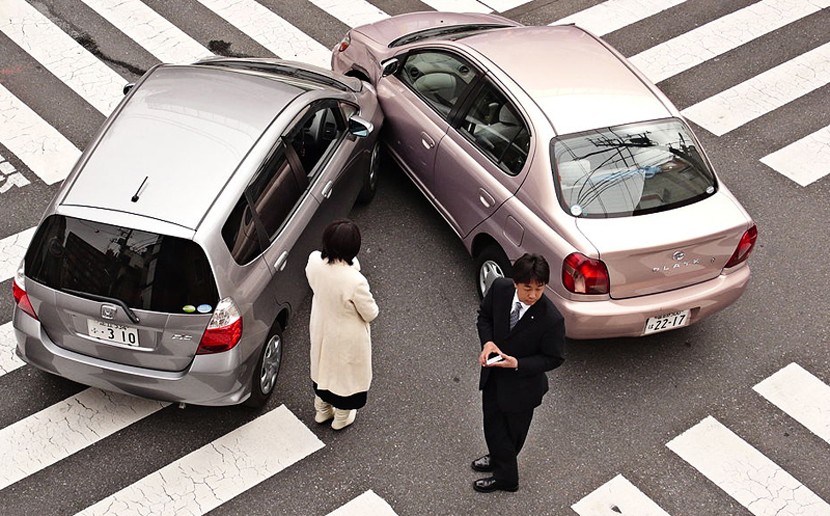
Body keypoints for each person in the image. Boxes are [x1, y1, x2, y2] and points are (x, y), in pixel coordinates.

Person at [471, 253, 565, 493]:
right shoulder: (500, 288)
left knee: (512, 434)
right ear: (515, 282)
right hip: (493, 376)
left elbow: (554, 358)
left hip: (523, 388)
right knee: (492, 424)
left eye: (539, 288)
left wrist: (518, 364)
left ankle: (507, 479)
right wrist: (488, 342)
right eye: (527, 288)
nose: (533, 295)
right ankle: (498, 458)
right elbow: (485, 317)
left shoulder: (552, 319)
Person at [305, 219, 379, 430]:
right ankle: (341, 418)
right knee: (346, 377)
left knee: (322, 368)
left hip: (321, 325)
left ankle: (322, 410)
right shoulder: (355, 281)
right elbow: (371, 313)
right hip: (347, 336)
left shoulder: (313, 262)